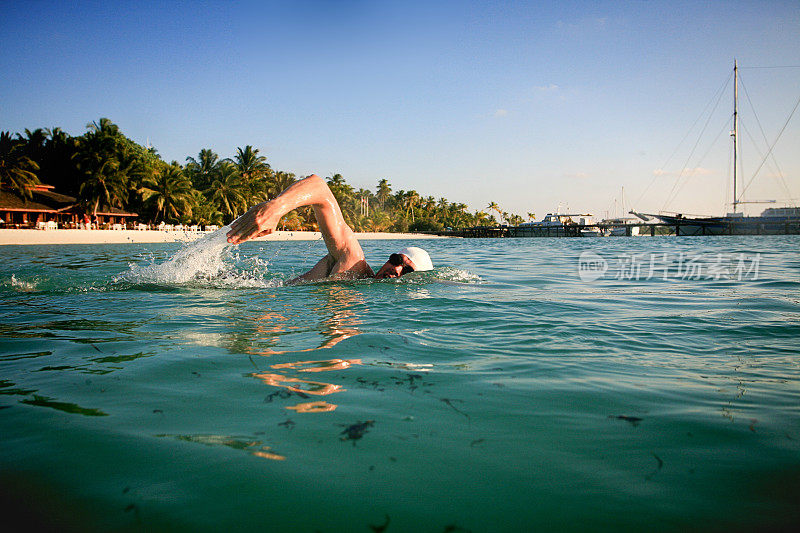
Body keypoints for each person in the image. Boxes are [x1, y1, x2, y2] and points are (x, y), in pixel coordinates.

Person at [226, 174, 433, 282]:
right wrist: (276, 208)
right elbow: (318, 186)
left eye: (406, 271)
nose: (396, 269)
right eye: (397, 260)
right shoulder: (354, 267)